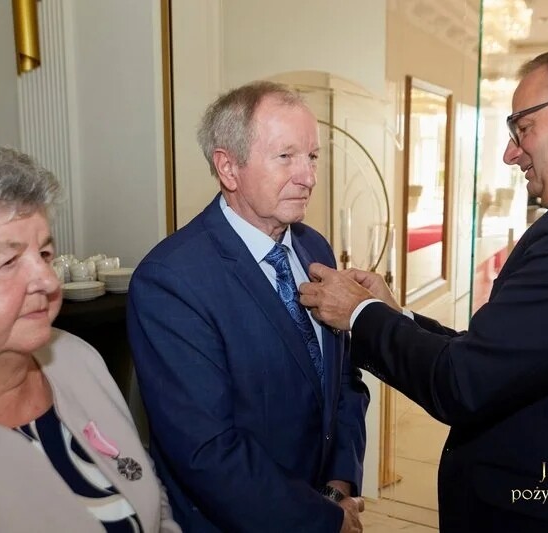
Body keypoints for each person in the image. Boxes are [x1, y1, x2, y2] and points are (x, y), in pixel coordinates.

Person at [300, 43, 548, 532]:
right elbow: (506, 356)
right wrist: (393, 314)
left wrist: (360, 313)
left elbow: (465, 382)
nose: (510, 153)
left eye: (523, 127)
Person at [127, 81, 369, 532]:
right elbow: (207, 451)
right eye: (286, 156)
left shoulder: (315, 248)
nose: (309, 176)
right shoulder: (171, 280)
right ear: (228, 168)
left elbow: (344, 381)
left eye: (312, 156)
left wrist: (339, 488)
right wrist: (322, 519)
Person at [0, 137, 180, 532]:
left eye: (43, 254)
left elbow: (152, 500)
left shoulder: (75, 359)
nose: (46, 280)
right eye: (7, 262)